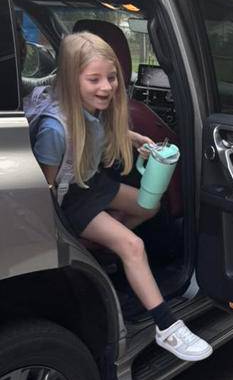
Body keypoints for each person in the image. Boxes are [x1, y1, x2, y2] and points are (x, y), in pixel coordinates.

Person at [25, 31, 212, 362]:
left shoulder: (91, 107)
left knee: (148, 205)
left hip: (89, 183)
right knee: (133, 246)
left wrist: (136, 136)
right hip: (69, 198)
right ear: (70, 80)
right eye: (94, 79)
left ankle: (110, 250)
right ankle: (167, 326)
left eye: (111, 77)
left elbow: (96, 129)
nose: (107, 87)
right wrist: (69, 233)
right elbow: (47, 193)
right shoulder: (55, 131)